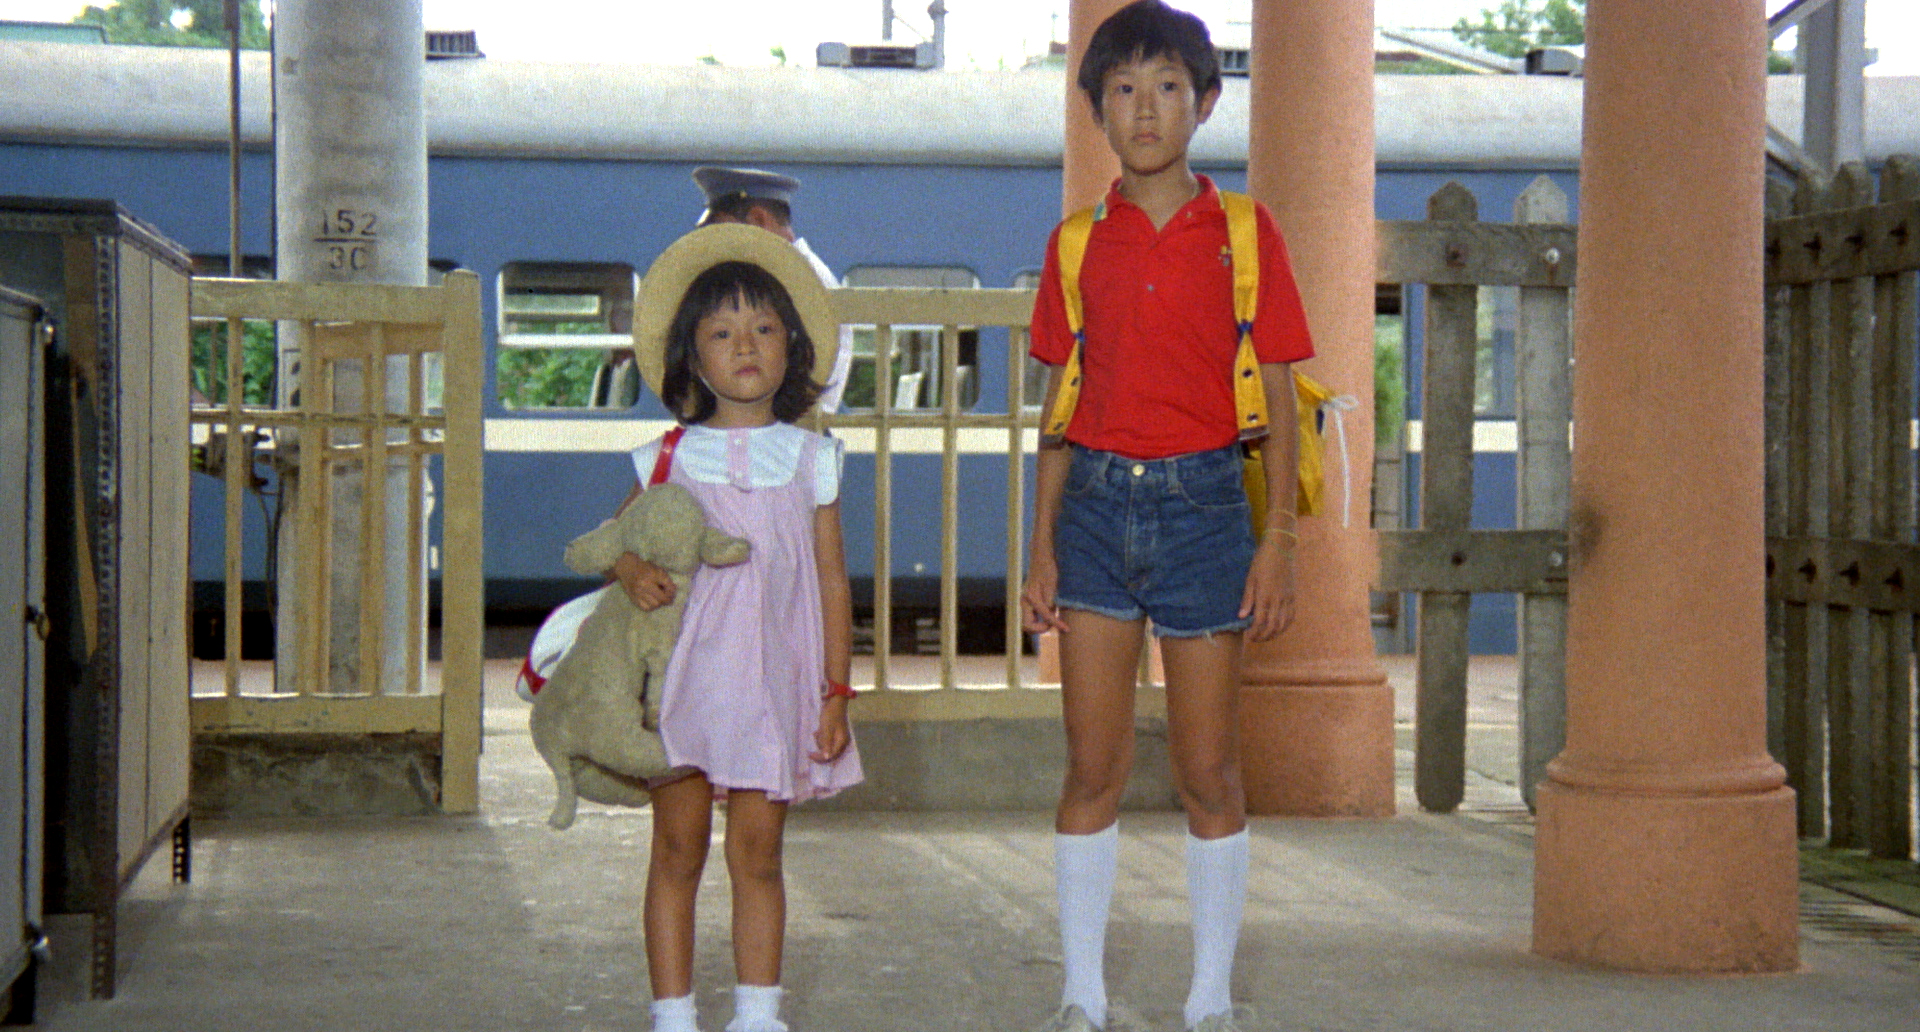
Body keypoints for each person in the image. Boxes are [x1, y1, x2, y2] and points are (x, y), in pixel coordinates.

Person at [1019, 3, 1316, 1032]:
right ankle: (1081, 998)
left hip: (1207, 512)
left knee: (1208, 769)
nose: (1145, 109)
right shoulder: (1074, 245)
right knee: (1091, 767)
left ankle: (1208, 1000)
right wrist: (1041, 547)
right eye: (1123, 89)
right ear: (1096, 109)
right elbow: (1057, 411)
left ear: (1206, 102)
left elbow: (1279, 395)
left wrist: (1279, 542)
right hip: (1095, 512)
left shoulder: (1245, 233)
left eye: (1168, 87)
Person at [611, 224, 863, 1032]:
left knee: (759, 855)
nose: (744, 345)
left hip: (773, 690)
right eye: (721, 333)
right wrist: (632, 570)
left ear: (794, 348)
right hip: (681, 689)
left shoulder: (813, 460)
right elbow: (618, 543)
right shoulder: (668, 458)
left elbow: (830, 579)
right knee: (677, 851)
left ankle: (758, 1016)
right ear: (691, 358)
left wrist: (835, 689)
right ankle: (673, 1016)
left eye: (762, 328)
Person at [692, 166, 857, 413]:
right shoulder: (789, 273)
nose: (717, 242)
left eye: (722, 230)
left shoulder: (800, 280)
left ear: (758, 219)